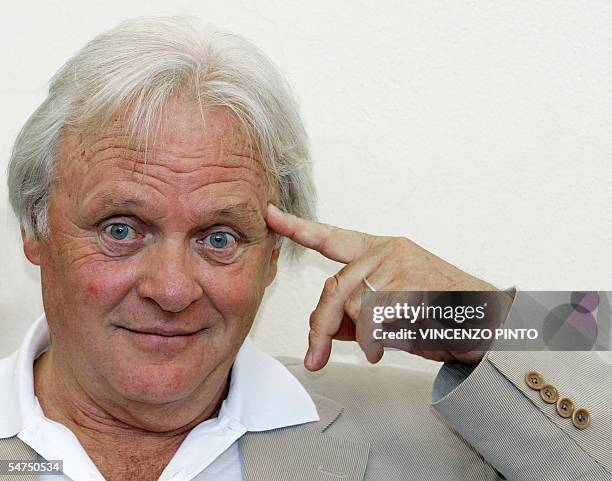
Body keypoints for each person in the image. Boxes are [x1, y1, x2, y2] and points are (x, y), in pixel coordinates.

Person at [1, 16, 609, 481]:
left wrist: (484, 320)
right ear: (36, 229)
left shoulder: (437, 436)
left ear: (272, 258)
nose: (172, 288)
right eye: (120, 229)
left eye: (219, 238)